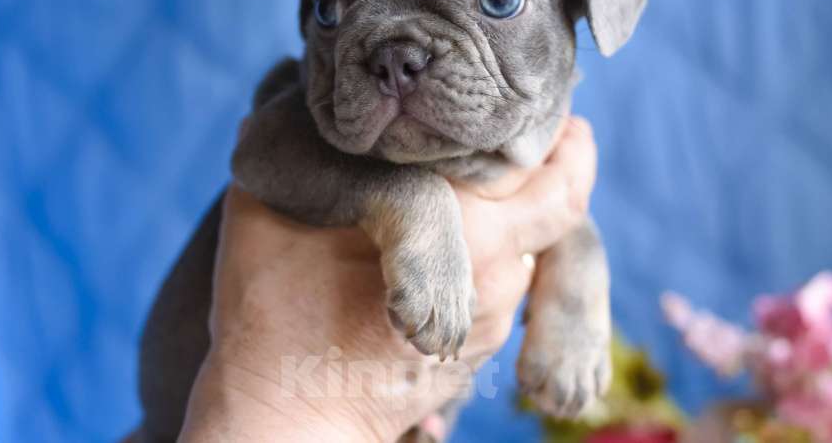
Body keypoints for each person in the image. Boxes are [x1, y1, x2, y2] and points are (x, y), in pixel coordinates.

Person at [177, 116, 598, 443]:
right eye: (329, 9)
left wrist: (573, 296)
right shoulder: (302, 113)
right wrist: (410, 204)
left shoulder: (533, 140)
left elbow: (550, 213)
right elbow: (261, 158)